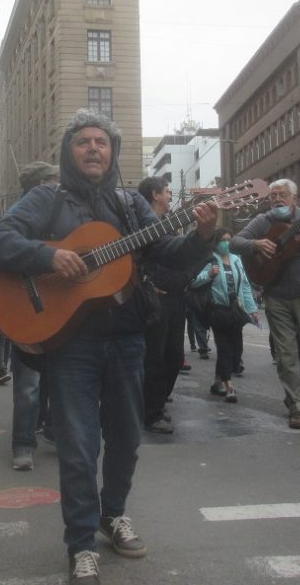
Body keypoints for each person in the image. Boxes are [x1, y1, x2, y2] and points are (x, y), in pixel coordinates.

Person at [0, 109, 217, 584]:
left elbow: (168, 256)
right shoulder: (46, 198)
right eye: (83, 141)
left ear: (112, 153)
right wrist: (49, 255)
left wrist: (202, 235)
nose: (93, 148)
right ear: (69, 152)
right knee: (78, 446)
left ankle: (114, 514)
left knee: (127, 438)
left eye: (102, 142)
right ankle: (81, 543)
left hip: (127, 336)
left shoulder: (130, 205)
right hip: (73, 343)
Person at [230, 178, 300, 430]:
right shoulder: (263, 221)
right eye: (273, 196)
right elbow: (235, 243)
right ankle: (298, 406)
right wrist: (256, 244)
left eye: (282, 195)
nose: (277, 199)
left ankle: (294, 394)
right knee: (286, 352)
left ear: (294, 198)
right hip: (277, 296)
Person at [9, 159, 60, 471]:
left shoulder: (64, 215)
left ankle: (55, 430)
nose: (60, 188)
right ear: (41, 186)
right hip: (25, 306)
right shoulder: (16, 218)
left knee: (62, 378)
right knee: (28, 386)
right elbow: (1, 250)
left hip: (59, 307)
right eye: (55, 182)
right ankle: (23, 444)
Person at [137, 176, 189, 434]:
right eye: (167, 191)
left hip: (177, 298)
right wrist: (146, 284)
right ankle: (152, 411)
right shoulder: (140, 225)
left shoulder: (169, 224)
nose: (170, 195)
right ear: (155, 195)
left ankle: (157, 402)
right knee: (154, 358)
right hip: (155, 301)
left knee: (174, 356)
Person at [191, 229, 258, 403]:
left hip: (235, 311)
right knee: (224, 348)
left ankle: (217, 381)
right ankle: (228, 387)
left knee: (236, 350)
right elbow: (193, 281)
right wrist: (208, 275)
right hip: (217, 311)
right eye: (223, 240)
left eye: (229, 239)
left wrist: (252, 309)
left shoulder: (236, 259)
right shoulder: (210, 259)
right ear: (216, 242)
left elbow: (244, 285)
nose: (226, 243)